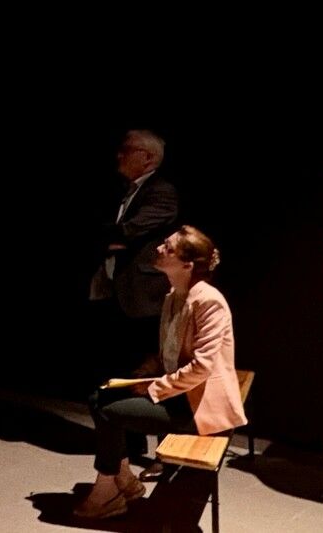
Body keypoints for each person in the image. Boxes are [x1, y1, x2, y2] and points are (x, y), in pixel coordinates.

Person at [75, 226, 246, 520]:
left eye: (168, 248)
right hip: (182, 394)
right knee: (99, 396)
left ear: (187, 265)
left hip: (200, 407)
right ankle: (121, 480)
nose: (158, 249)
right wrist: (148, 368)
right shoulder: (173, 295)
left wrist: (154, 387)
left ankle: (108, 489)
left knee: (106, 409)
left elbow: (202, 366)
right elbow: (172, 351)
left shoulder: (209, 300)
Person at [87, 130, 179, 379]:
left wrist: (109, 238)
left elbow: (130, 229)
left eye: (126, 150)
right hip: (113, 288)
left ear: (147, 157)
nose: (119, 156)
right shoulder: (124, 191)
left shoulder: (161, 191)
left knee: (139, 361)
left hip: (142, 295)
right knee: (111, 357)